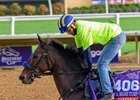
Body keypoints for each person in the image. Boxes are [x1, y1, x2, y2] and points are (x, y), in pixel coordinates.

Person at [58, 14, 126, 100]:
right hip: (112, 37)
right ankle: (104, 86)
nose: (68, 33)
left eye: (68, 30)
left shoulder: (82, 28)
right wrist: (82, 66)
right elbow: (80, 50)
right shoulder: (76, 33)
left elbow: (87, 51)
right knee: (102, 65)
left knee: (101, 65)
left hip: (117, 37)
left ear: (73, 24)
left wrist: (89, 67)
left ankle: (108, 93)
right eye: (66, 31)